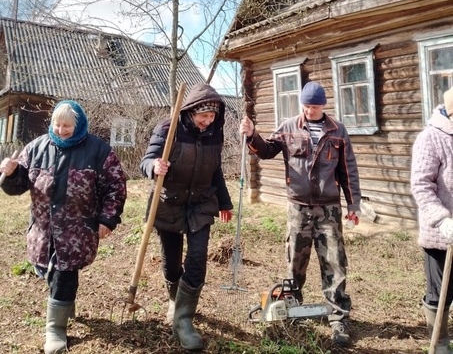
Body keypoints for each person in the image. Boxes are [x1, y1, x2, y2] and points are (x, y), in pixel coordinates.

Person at [239, 81, 361, 347]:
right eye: (306, 106)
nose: (310, 110)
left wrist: (353, 204)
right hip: (298, 208)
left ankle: (338, 316)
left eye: (315, 106)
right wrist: (252, 136)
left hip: (329, 208)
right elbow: (267, 150)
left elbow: (348, 170)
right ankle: (294, 308)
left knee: (334, 262)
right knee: (295, 260)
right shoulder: (288, 127)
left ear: (323, 106)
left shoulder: (338, 131)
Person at [0, 100, 127, 354]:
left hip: (77, 231)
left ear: (78, 125)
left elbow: (116, 187)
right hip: (43, 230)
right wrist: (11, 173)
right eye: (56, 124)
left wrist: (107, 219)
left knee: (64, 273)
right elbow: (17, 187)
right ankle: (65, 304)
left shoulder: (98, 150)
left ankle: (55, 330)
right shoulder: (36, 148)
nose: (60, 130)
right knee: (48, 272)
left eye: (66, 126)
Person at [140, 83, 233, 351]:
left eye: (212, 116)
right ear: (191, 111)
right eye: (203, 116)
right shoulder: (167, 130)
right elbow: (146, 160)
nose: (207, 121)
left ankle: (183, 319)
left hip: (201, 204)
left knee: (197, 258)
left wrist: (224, 203)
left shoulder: (214, 134)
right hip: (169, 202)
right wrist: (154, 166)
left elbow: (215, 171)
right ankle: (174, 300)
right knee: (171, 263)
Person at [411, 86, 453, 354]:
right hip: (442, 234)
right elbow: (421, 185)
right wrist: (442, 219)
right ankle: (440, 342)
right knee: (441, 294)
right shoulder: (431, 138)